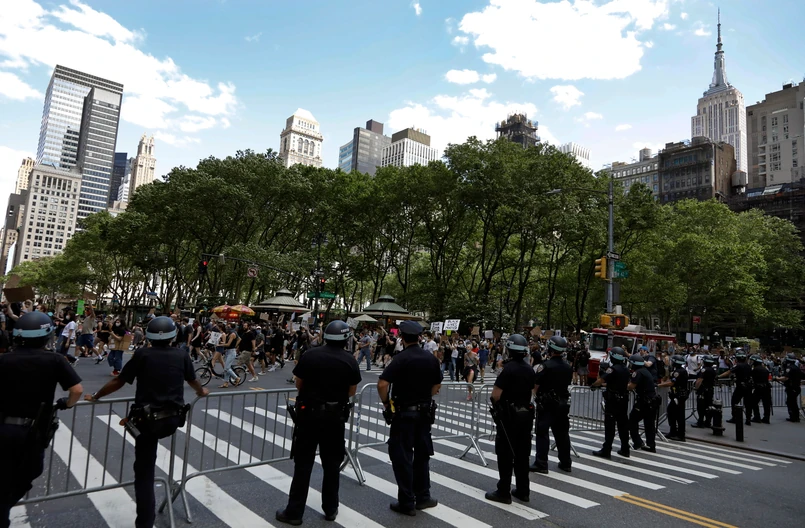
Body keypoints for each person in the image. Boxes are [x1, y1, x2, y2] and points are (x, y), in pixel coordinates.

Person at [84, 316, 208, 528]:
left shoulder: (143, 354)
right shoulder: (181, 355)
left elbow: (119, 380)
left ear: (149, 336)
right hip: (172, 419)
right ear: (173, 335)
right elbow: (193, 380)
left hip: (147, 422)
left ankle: (145, 522)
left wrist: (96, 396)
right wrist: (201, 391)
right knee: (148, 462)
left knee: (144, 473)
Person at [0, 312, 83, 527]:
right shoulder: (55, 360)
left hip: (3, 428)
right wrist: (67, 403)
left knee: (4, 476)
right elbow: (76, 390)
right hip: (32, 432)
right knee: (29, 472)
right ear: (46, 336)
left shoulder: (4, 359)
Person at [276, 320, 361, 525]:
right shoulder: (350, 360)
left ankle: (294, 512)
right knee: (332, 465)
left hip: (309, 417)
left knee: (303, 465)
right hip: (335, 418)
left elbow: (299, 383)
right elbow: (352, 391)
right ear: (345, 339)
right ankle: (331, 508)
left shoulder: (310, 355)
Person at [377, 320, 442, 516]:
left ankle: (406, 501)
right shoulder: (430, 359)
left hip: (404, 413)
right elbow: (437, 385)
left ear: (402, 337)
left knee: (402, 456)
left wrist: (386, 403)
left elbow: (382, 384)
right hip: (424, 413)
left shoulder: (400, 359)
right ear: (419, 337)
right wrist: (424, 397)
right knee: (422, 455)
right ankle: (423, 496)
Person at [484, 334, 535, 504]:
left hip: (509, 417)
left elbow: (495, 395)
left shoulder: (508, 369)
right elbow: (532, 390)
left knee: (505, 454)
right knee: (522, 454)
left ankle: (503, 491)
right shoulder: (529, 369)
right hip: (525, 415)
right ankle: (523, 490)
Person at [531, 335, 573, 474]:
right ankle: (566, 462)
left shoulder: (545, 366)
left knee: (542, 433)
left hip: (547, 404)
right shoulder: (568, 367)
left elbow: (535, 386)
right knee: (562, 434)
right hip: (563, 404)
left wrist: (536, 397)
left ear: (550, 349)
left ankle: (541, 463)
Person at [591, 347, 631, 458]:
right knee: (623, 425)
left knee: (610, 426)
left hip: (613, 401)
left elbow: (601, 380)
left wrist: (593, 385)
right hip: (623, 400)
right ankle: (625, 449)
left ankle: (606, 450)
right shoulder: (626, 370)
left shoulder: (612, 369)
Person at [628, 353, 658, 453]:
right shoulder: (645, 371)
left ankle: (637, 441)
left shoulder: (638, 372)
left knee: (632, 420)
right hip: (652, 401)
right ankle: (651, 445)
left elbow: (631, 386)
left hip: (644, 401)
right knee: (649, 424)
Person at [719, 348, 753, 426]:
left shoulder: (738, 365)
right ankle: (748, 418)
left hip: (740, 386)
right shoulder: (748, 366)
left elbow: (729, 372)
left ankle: (735, 417)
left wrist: (719, 376)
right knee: (748, 403)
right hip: (748, 386)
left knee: (734, 401)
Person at [659, 355, 689, 441]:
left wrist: (660, 385)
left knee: (678, 415)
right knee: (672, 413)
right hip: (677, 396)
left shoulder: (678, 372)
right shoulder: (679, 370)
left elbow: (672, 383)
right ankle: (673, 432)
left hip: (678, 396)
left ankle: (680, 434)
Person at [774, 353, 802, 422]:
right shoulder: (796, 368)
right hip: (796, 388)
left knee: (791, 402)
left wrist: (777, 378)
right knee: (793, 402)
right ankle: (795, 416)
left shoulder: (789, 368)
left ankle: (794, 417)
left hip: (792, 388)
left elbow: (785, 378)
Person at [692, 355, 717, 428]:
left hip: (703, 391)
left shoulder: (704, 370)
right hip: (710, 390)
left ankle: (700, 422)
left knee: (701, 407)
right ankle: (708, 422)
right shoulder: (713, 370)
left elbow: (699, 380)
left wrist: (696, 388)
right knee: (709, 406)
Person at [748, 355, 771, 424]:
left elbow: (751, 378)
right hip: (766, 388)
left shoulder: (755, 370)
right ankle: (766, 418)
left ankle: (757, 417)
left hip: (759, 389)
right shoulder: (765, 369)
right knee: (766, 404)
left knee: (753, 402)